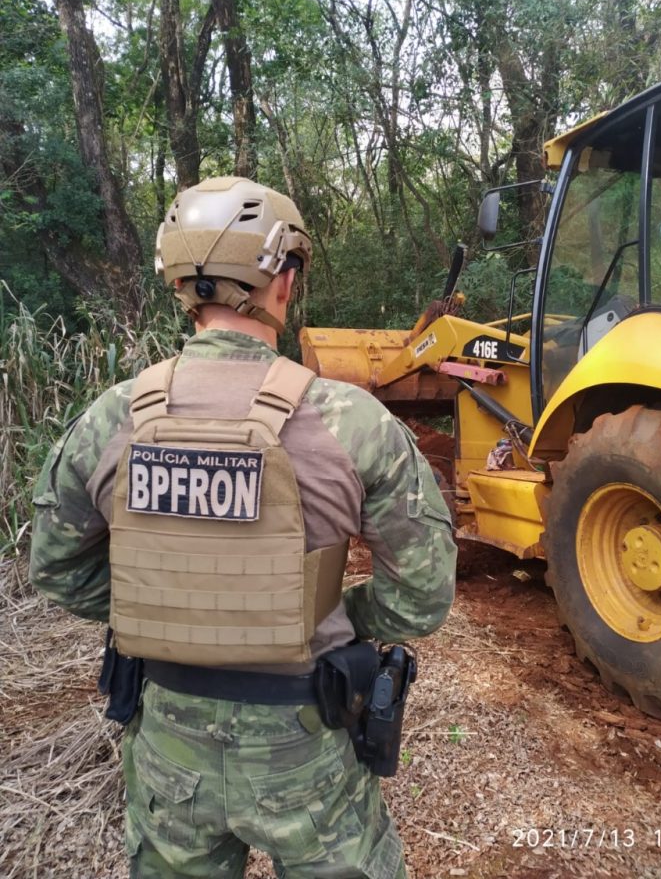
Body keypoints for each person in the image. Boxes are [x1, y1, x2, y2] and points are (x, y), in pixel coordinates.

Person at [29, 176, 457, 879]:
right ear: (283, 281)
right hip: (307, 747)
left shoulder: (113, 418)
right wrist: (322, 611)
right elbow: (421, 598)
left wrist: (166, 607)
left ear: (180, 286)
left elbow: (56, 568)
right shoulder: (353, 422)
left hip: (169, 749)